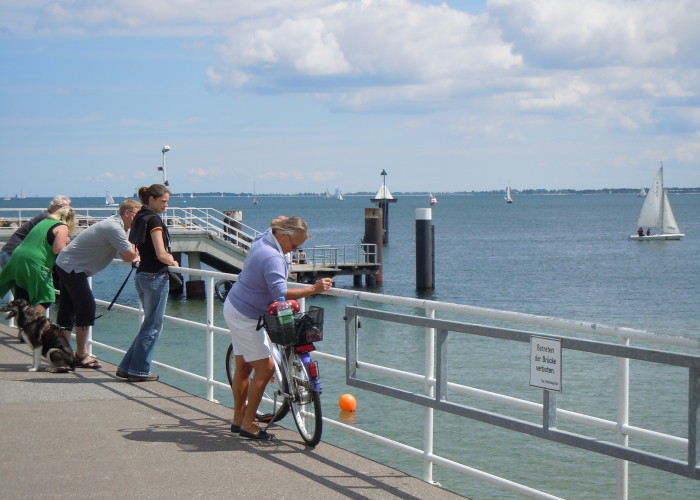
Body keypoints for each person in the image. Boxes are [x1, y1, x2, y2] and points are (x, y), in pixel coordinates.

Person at [223, 216, 333, 440]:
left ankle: (237, 419)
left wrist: (278, 222)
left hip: (235, 305)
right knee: (265, 369)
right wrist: (314, 288)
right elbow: (279, 293)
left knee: (243, 367)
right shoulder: (272, 256)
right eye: (294, 246)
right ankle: (248, 424)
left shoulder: (264, 239)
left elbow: (272, 228)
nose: (294, 250)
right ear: (284, 235)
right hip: (247, 315)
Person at [55, 200, 141, 369]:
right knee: (86, 308)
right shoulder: (114, 227)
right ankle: (81, 355)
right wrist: (138, 255)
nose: (141, 218)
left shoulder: (120, 227)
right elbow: (130, 256)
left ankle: (64, 352)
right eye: (138, 214)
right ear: (127, 213)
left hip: (68, 264)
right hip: (72, 267)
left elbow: (124, 255)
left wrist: (133, 252)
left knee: (68, 308)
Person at [117, 185, 178, 382]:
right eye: (163, 201)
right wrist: (173, 261)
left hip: (142, 274)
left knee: (149, 324)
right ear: (151, 198)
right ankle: (139, 370)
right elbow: (161, 254)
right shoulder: (153, 219)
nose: (166, 205)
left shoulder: (140, 216)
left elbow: (136, 247)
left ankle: (127, 366)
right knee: (153, 325)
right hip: (155, 276)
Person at [0, 206, 76, 315]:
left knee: (23, 296)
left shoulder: (45, 221)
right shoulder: (62, 227)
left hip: (17, 256)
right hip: (34, 261)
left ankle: (22, 328)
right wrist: (67, 241)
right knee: (47, 297)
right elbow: (57, 249)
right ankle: (30, 323)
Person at [0, 195, 72, 268]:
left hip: (14, 252)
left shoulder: (46, 216)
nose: (65, 210)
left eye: (68, 208)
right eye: (62, 207)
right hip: (14, 253)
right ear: (53, 206)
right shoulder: (48, 218)